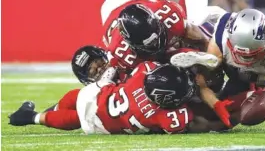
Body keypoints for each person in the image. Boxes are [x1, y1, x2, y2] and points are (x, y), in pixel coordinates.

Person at [9, 60, 229, 134]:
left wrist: (110, 70)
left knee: (75, 99)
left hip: (100, 92)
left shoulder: (145, 70)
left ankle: (41, 112)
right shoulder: (160, 116)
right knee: (76, 118)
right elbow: (198, 122)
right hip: (104, 120)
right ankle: (32, 117)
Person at [171, 8, 265, 129]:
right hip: (224, 63)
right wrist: (215, 103)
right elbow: (202, 82)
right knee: (207, 73)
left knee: (234, 115)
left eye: (251, 55)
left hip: (252, 78)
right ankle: (191, 48)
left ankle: (259, 95)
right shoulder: (223, 34)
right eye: (240, 54)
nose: (244, 59)